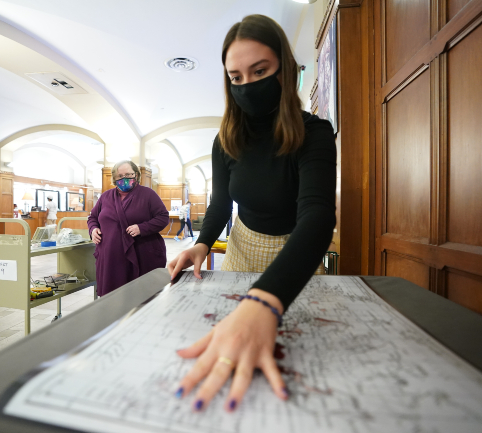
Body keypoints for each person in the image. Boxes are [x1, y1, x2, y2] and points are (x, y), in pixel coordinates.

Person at [167, 15, 336, 412]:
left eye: (260, 71)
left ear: (285, 70)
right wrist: (201, 243)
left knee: (299, 363)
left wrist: (265, 300)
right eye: (236, 77)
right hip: (242, 252)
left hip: (297, 259)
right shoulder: (225, 140)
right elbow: (222, 203)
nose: (247, 85)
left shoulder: (315, 134)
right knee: (233, 348)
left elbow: (317, 216)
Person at [88, 160, 169, 297]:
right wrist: (93, 229)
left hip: (140, 254)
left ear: (136, 175)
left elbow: (163, 217)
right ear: (114, 178)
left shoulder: (148, 194)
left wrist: (142, 228)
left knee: (140, 297)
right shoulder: (106, 197)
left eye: (128, 174)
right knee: (112, 298)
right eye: (120, 176)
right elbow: (93, 218)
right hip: (111, 258)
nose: (124, 179)